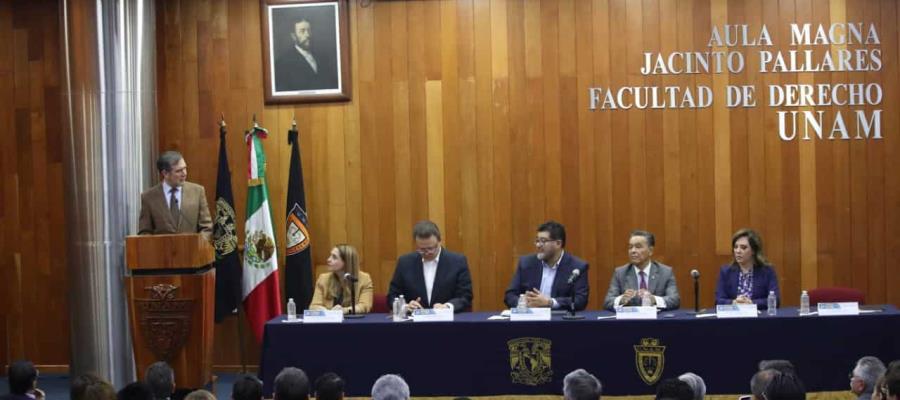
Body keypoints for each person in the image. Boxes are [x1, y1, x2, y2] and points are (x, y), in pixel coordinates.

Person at [387, 221, 473, 312]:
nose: (427, 253)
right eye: (422, 249)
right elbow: (392, 295)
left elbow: (465, 296)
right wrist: (405, 306)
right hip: (414, 322)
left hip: (447, 322)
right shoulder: (405, 263)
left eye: (431, 248)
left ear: (440, 241)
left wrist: (447, 307)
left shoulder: (457, 261)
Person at [504, 221, 589, 311]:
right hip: (530, 319)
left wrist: (550, 302)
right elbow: (510, 295)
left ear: (558, 243)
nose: (538, 245)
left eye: (543, 241)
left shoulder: (577, 267)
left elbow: (580, 301)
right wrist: (522, 302)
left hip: (559, 321)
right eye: (537, 241)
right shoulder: (526, 263)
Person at [138, 151, 213, 238]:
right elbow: (144, 232)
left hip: (192, 250)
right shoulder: (148, 197)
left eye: (185, 168)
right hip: (162, 250)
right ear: (165, 173)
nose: (184, 173)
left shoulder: (197, 192)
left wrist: (198, 245)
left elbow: (207, 227)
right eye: (178, 171)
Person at [603, 230, 680, 310]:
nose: (633, 251)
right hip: (630, 321)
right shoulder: (620, 273)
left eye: (638, 247)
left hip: (657, 321)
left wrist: (654, 299)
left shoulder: (665, 272)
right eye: (630, 247)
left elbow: (675, 300)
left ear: (650, 251)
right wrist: (621, 300)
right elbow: (608, 302)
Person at [714, 229, 780, 308]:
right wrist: (734, 302)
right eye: (735, 247)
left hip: (758, 318)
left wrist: (751, 303)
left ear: (753, 251)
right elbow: (718, 300)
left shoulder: (767, 271)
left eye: (743, 247)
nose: (738, 251)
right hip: (732, 317)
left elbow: (775, 300)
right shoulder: (726, 271)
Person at [274, 17, 338, 92]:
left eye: (309, 30)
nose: (307, 35)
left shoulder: (322, 57)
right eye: (302, 31)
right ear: (293, 36)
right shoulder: (283, 63)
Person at [309, 244, 373, 314]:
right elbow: (313, 306)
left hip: (353, 322)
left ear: (346, 262)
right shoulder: (323, 279)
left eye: (334, 257)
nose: (328, 260)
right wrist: (328, 312)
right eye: (330, 256)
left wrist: (342, 311)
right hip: (330, 322)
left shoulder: (364, 279)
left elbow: (364, 306)